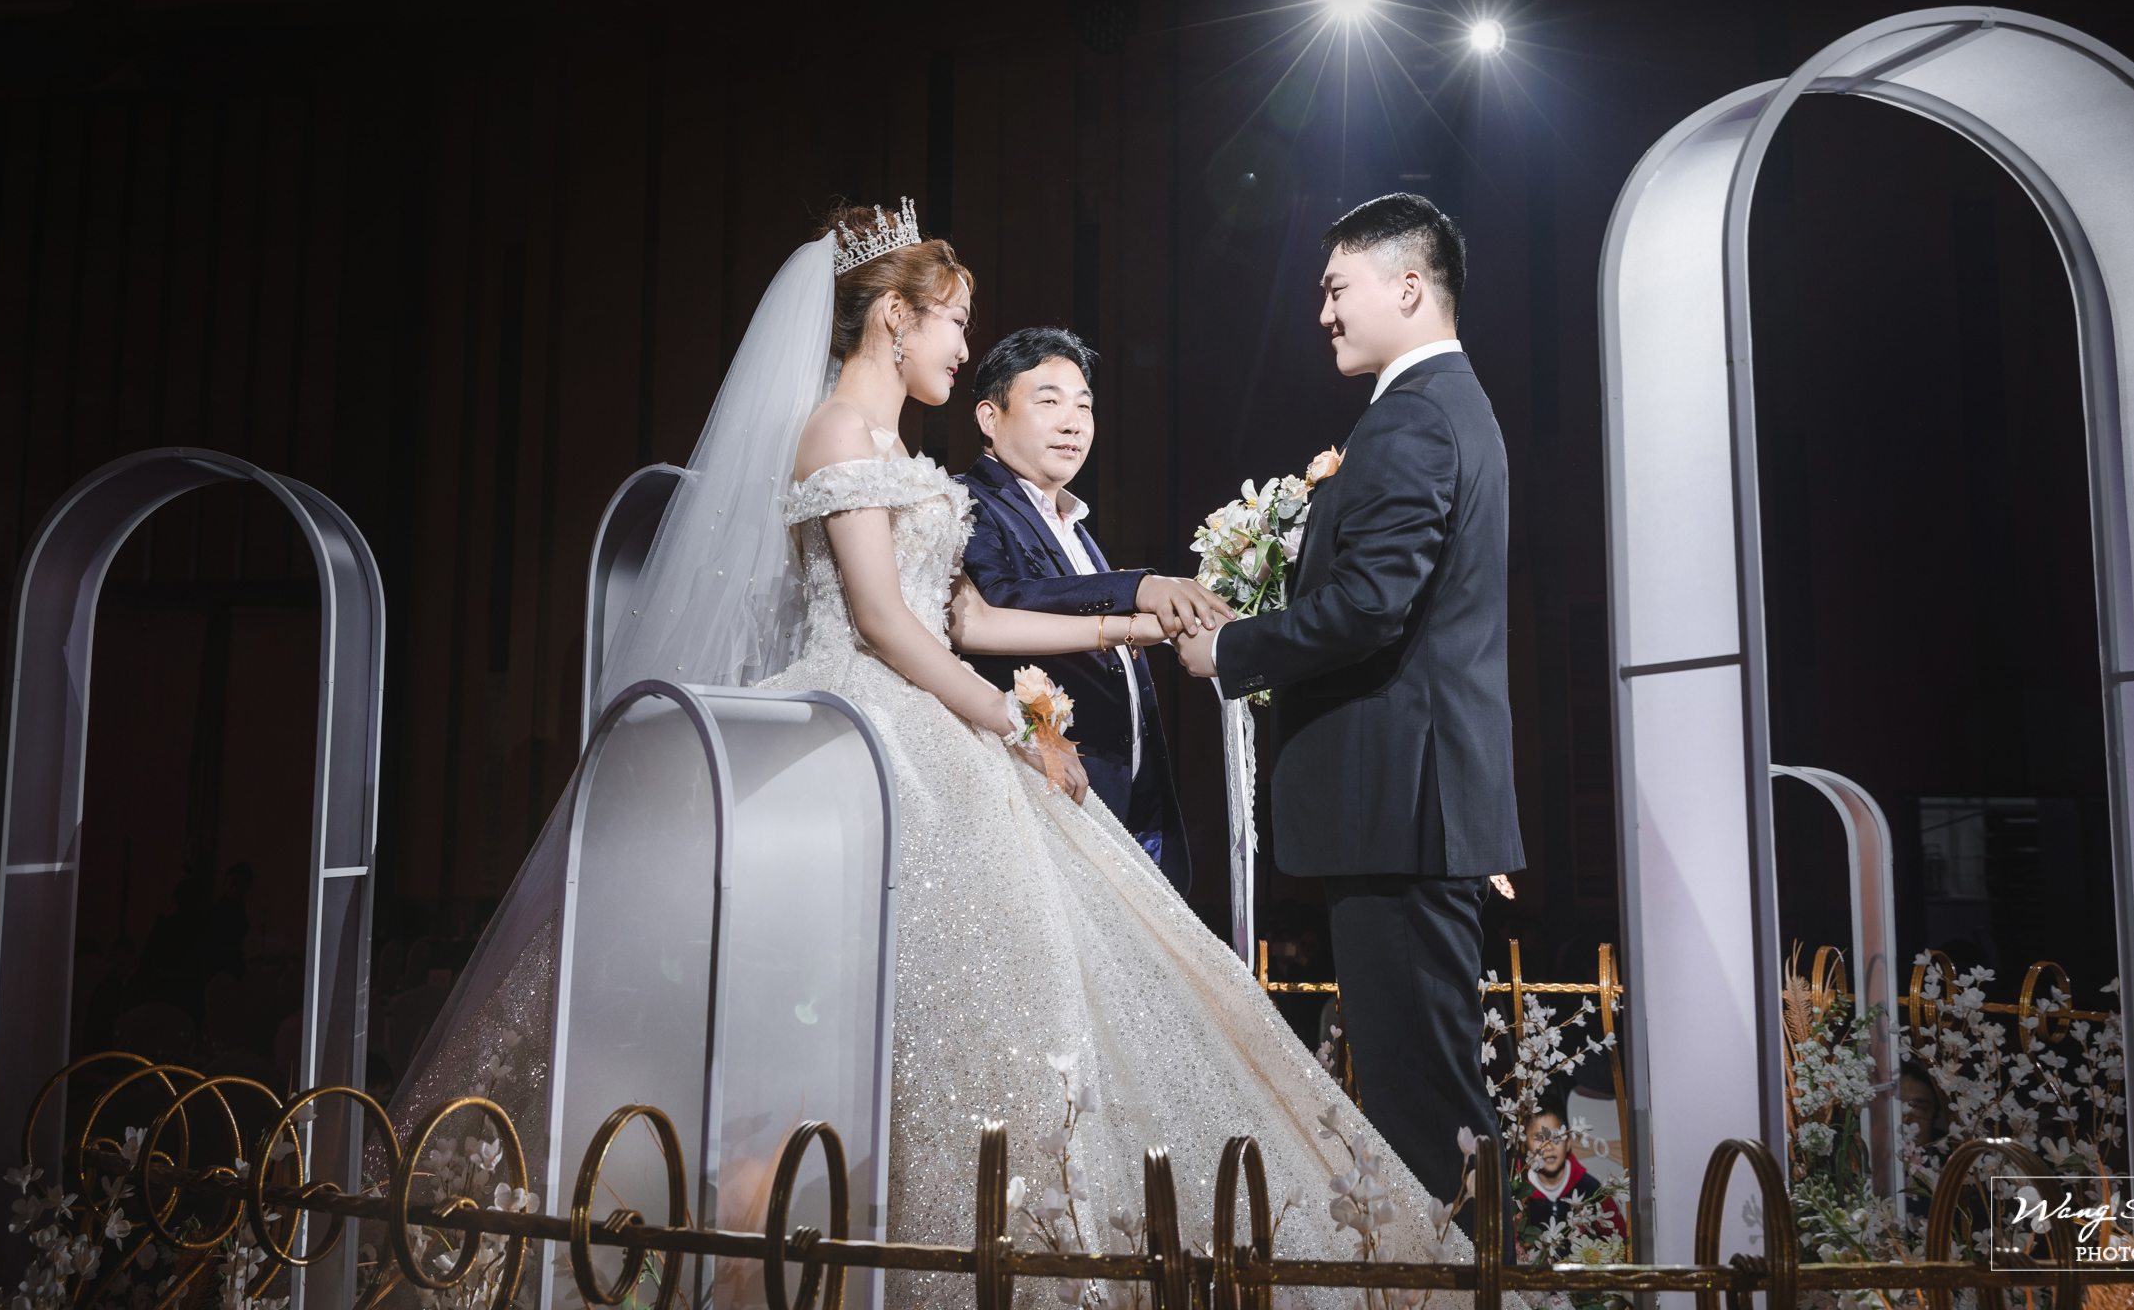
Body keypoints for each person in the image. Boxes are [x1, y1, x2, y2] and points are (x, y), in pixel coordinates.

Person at [569, 200, 1477, 1287]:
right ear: (895, 318)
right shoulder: (835, 432)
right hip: (865, 730)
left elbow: (972, 617)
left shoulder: (900, 449)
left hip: (931, 710)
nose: (963, 344)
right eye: (956, 321)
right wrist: (1010, 721)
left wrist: (1136, 624)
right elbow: (884, 622)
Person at [1177, 191, 1524, 1210]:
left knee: (1428, 1116)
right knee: (1429, 1101)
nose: (1323, 313)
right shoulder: (1448, 406)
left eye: (1337, 289)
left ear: (1408, 286)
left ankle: (1475, 1278)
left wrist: (1230, 647)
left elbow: (1371, 604)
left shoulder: (1414, 417)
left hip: (1399, 813)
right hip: (1411, 808)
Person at [955, 325, 1230, 892]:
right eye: (1049, 402)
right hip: (1047, 788)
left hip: (1128, 791)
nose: (1073, 422)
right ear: (990, 417)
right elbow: (1002, 599)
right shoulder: (967, 502)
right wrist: (1137, 590)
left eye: (1083, 405)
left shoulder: (1075, 525)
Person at [1511, 1099, 1623, 1263]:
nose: (1548, 1146)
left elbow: (1620, 1241)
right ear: (1524, 1145)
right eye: (1540, 1138)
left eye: (1556, 1136)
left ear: (1569, 1142)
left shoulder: (1593, 1190)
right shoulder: (1515, 1196)